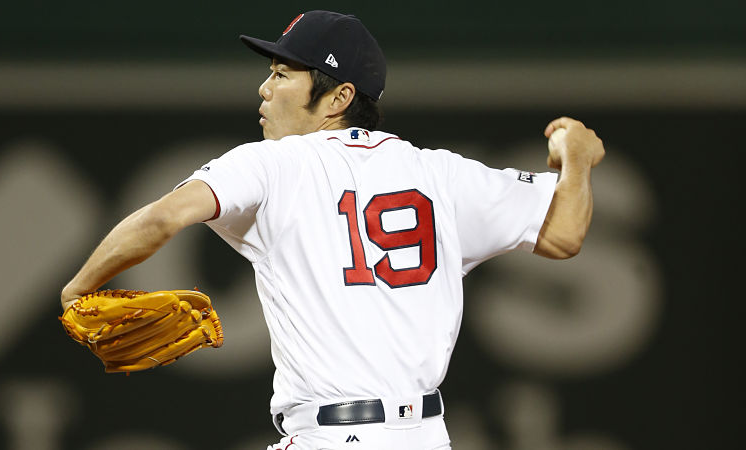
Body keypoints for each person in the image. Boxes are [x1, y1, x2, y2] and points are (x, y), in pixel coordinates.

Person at [61, 10, 605, 450]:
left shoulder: (272, 164)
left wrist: (78, 289)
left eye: (282, 74)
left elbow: (162, 217)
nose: (264, 89)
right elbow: (563, 235)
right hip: (425, 436)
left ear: (339, 98)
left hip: (329, 436)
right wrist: (576, 159)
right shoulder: (441, 174)